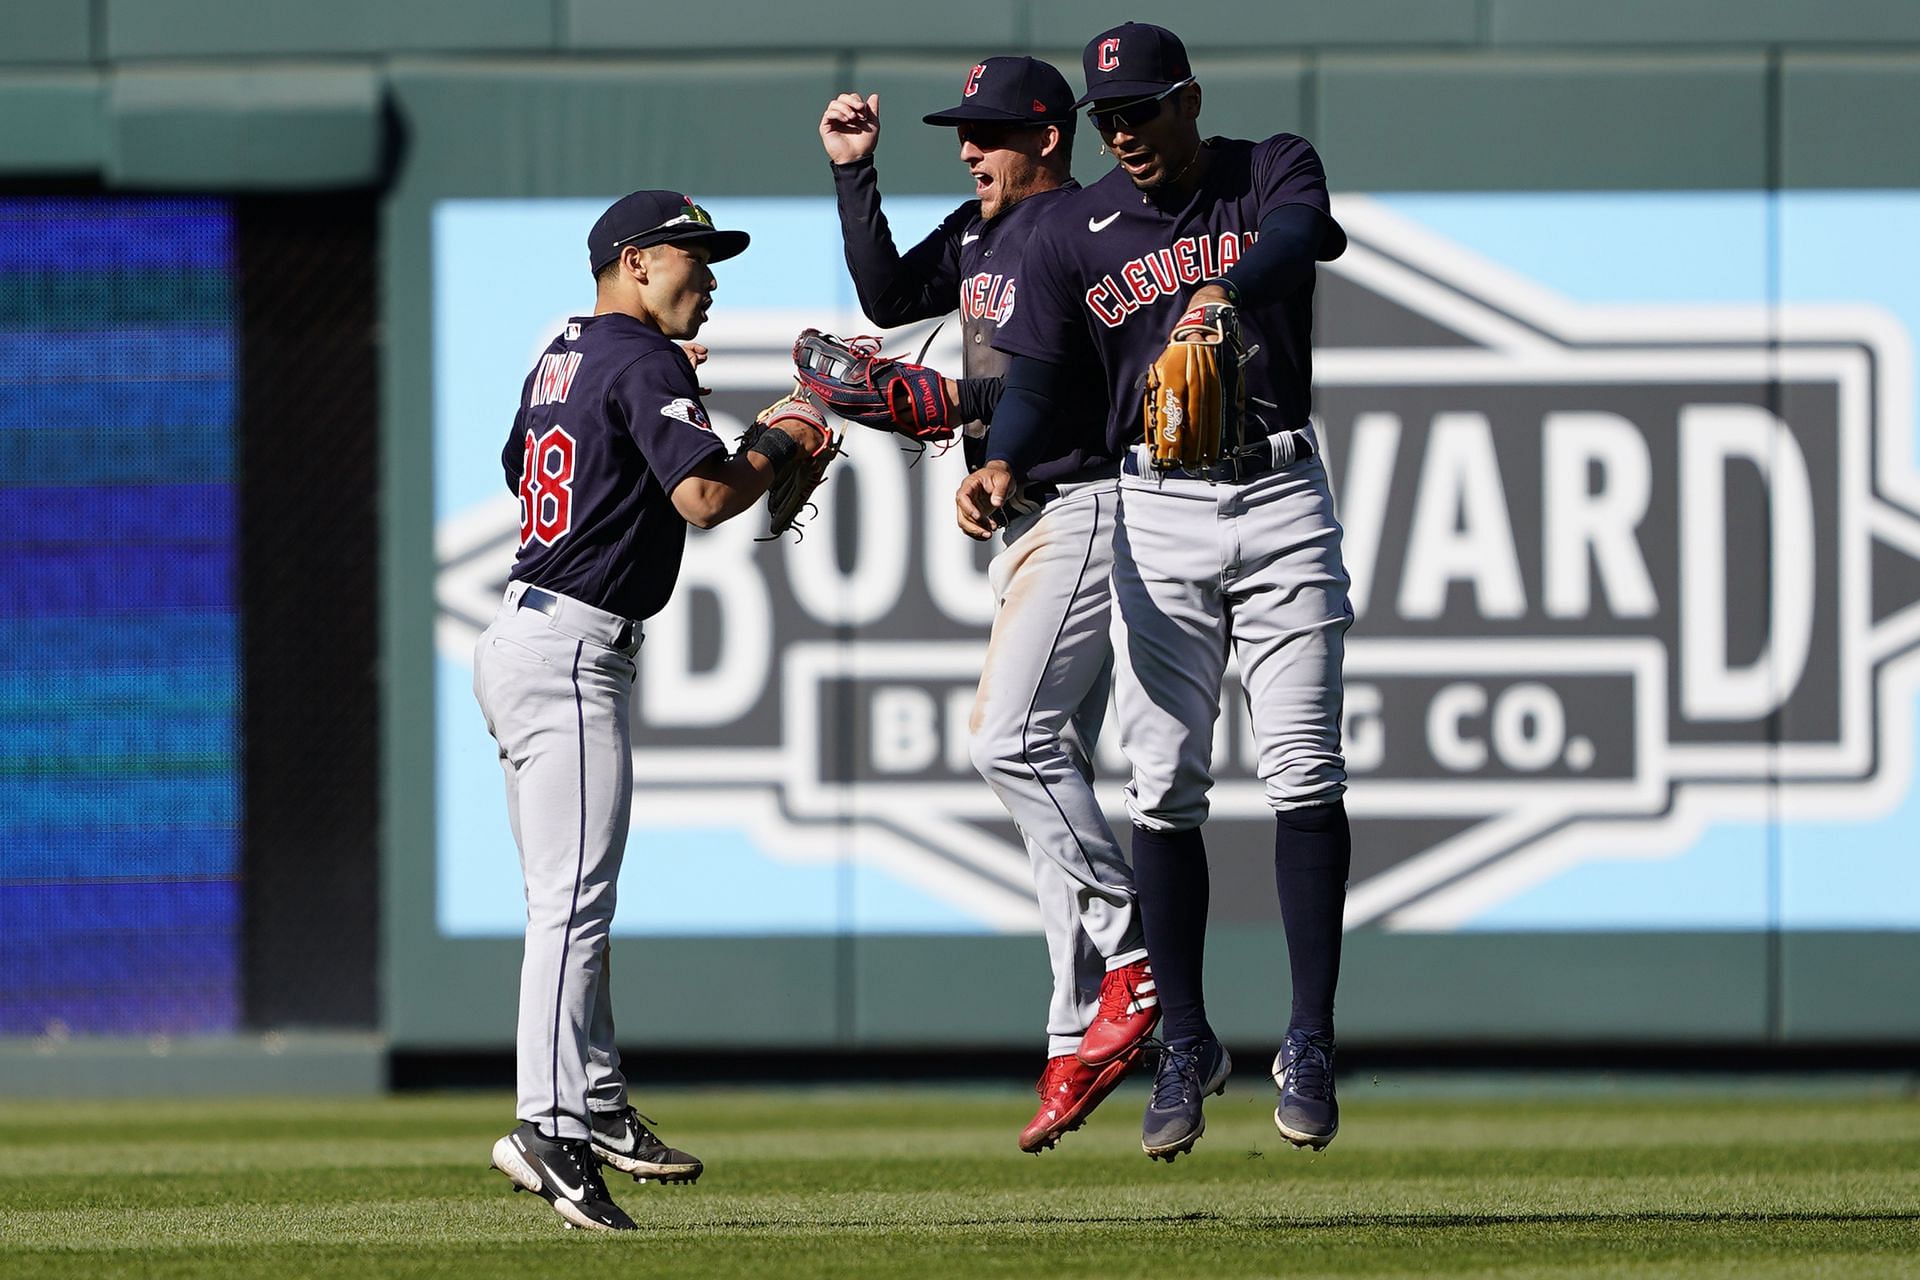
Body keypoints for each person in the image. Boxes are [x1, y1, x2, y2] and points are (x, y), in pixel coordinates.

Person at [959, 22, 1354, 1161]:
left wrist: (1225, 289)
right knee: (1167, 782)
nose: (1124, 133)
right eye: (1107, 118)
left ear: (1188, 99)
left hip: (1280, 493)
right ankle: (1183, 1039)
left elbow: (1294, 239)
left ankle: (1312, 1037)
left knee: (1303, 767)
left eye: (1141, 109)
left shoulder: (1266, 164)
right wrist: (1003, 456)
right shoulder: (1073, 231)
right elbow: (1036, 377)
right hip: (1158, 505)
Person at [818, 57, 1160, 1154]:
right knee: (1047, 774)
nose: (971, 147)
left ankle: (1139, 962)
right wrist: (854, 178)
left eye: (992, 131)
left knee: (1008, 741)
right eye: (964, 131)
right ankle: (1075, 1031)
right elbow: (884, 298)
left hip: (1084, 498)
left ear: (1051, 135)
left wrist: (954, 398)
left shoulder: (1086, 230)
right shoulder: (978, 231)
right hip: (1023, 522)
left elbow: (1067, 371)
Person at [477, 191, 833, 1229]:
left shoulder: (567, 351)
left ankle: (592, 1098)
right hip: (569, 650)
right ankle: (549, 1124)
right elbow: (708, 499)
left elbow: (520, 466)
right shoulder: (638, 358)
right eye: (692, 257)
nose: (708, 276)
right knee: (572, 904)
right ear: (634, 262)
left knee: (571, 894)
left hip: (526, 636)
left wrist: (647, 412)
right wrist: (773, 435)